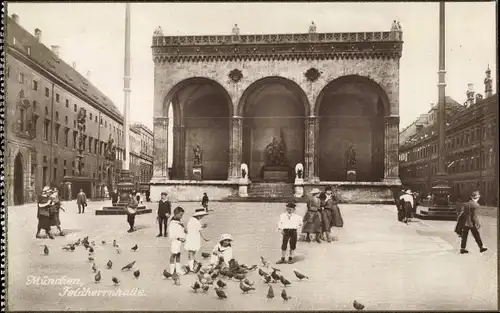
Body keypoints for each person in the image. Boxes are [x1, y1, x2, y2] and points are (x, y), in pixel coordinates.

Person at [184, 208, 210, 272]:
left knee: (191, 252)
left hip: (190, 237)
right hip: (194, 238)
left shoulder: (191, 220)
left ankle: (191, 264)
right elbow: (199, 230)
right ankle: (191, 267)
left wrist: (202, 226)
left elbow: (194, 228)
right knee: (192, 252)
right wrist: (204, 238)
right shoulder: (196, 221)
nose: (201, 217)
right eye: (201, 216)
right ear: (198, 216)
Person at [168, 206, 186, 274]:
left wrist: (184, 230)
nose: (181, 216)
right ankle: (172, 271)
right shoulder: (172, 223)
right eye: (181, 215)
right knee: (173, 255)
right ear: (176, 214)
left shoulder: (178, 221)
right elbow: (171, 234)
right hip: (175, 241)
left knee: (178, 254)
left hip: (179, 242)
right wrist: (179, 238)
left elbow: (180, 230)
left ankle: (178, 270)